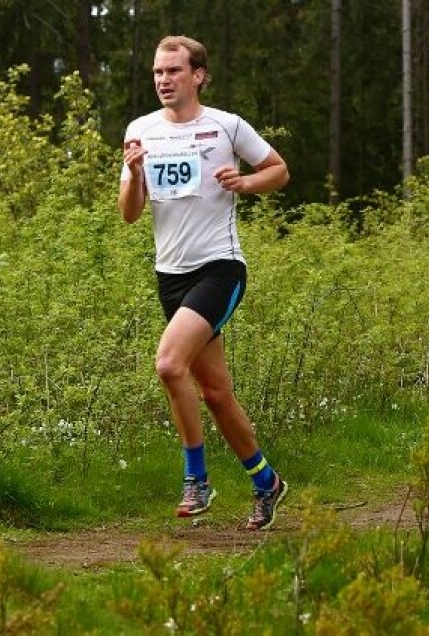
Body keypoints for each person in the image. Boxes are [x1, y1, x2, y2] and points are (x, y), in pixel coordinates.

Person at [118, 35, 290, 529]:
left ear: (198, 76)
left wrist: (246, 182)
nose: (163, 80)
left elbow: (278, 170)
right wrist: (134, 175)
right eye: (157, 72)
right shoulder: (140, 131)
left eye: (173, 71)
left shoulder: (226, 126)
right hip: (170, 277)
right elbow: (129, 214)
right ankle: (266, 482)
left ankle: (196, 478)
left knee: (169, 364)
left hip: (219, 268)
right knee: (215, 392)